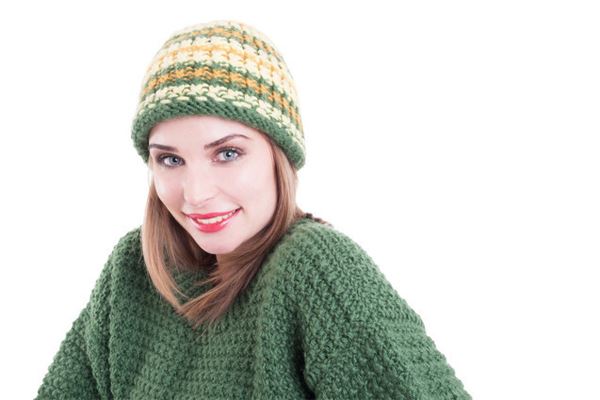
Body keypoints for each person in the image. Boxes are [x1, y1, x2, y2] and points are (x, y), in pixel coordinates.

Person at [35, 20, 471, 399]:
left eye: (227, 154)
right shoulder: (133, 270)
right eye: (170, 159)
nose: (196, 193)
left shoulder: (317, 268)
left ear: (278, 155)